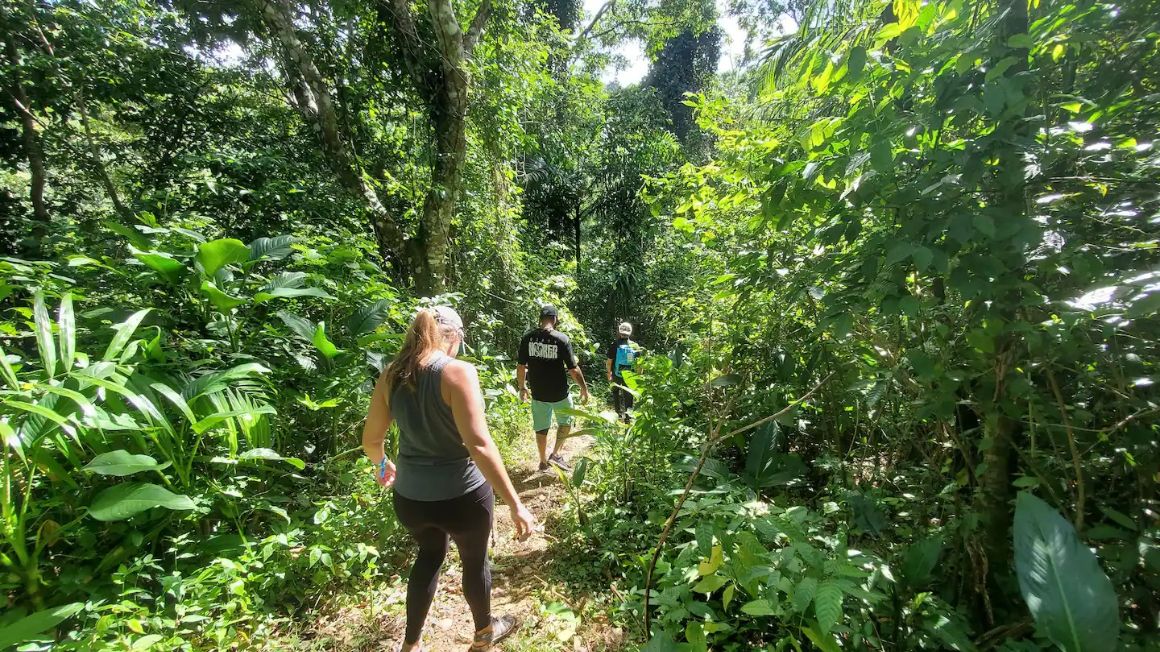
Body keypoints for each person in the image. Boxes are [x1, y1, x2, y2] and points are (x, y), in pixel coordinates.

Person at [361, 306, 536, 652]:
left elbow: (371, 441)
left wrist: (383, 466)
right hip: (462, 498)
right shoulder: (457, 372)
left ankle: (410, 644)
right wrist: (516, 505)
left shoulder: (391, 375)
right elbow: (480, 446)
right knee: (474, 561)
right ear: (452, 337)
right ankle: (484, 634)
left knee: (428, 556)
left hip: (410, 498)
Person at [516, 304, 590, 472]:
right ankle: (555, 455)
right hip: (560, 394)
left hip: (539, 393)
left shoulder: (528, 338)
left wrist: (522, 386)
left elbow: (521, 366)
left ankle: (542, 462)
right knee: (565, 422)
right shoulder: (561, 339)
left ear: (540, 319)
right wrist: (584, 388)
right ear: (555, 319)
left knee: (541, 427)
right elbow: (573, 369)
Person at [606, 322, 639, 423]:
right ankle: (628, 419)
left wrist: (609, 373)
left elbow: (609, 362)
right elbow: (639, 364)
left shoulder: (615, 345)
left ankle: (618, 414)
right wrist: (638, 376)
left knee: (615, 391)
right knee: (629, 396)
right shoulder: (635, 346)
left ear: (620, 332)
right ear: (630, 333)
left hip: (617, 374)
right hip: (630, 375)